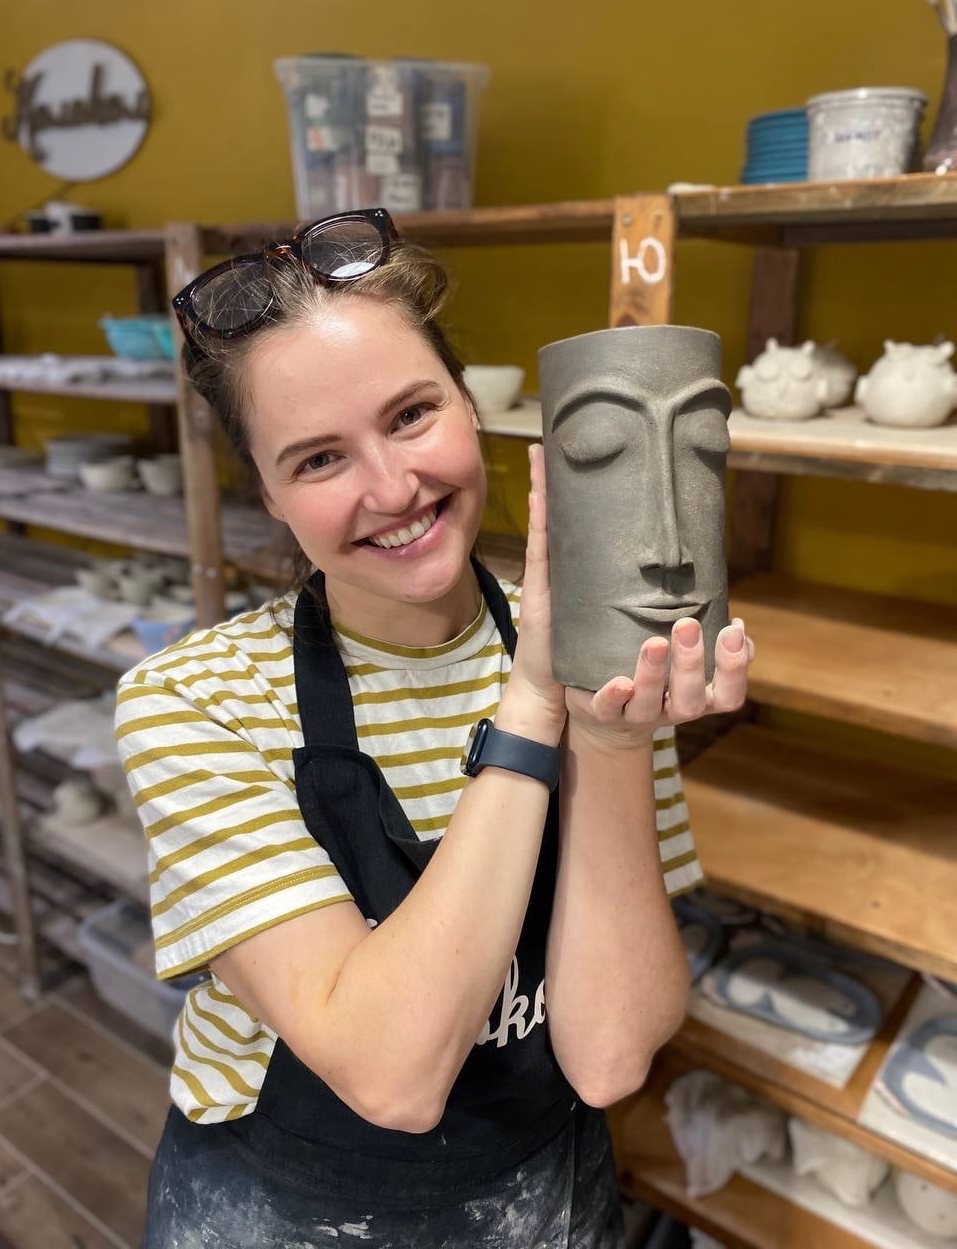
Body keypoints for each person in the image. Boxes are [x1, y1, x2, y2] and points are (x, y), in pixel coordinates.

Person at [115, 207, 753, 1248]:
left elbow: (609, 1057)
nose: (392, 487)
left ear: (471, 402)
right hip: (281, 1208)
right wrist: (533, 705)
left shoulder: (598, 653)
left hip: (543, 1194)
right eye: (318, 459)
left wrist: (609, 738)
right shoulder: (195, 701)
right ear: (269, 494)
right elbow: (392, 1074)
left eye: (412, 414)